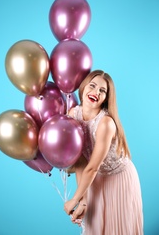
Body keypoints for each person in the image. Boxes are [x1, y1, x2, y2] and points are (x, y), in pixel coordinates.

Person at [64, 70, 143, 235]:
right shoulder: (73, 115)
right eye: (92, 86)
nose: (96, 92)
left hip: (119, 179)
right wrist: (83, 200)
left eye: (102, 91)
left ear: (106, 98)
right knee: (95, 227)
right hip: (95, 178)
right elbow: (80, 161)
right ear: (84, 87)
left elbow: (92, 166)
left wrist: (75, 198)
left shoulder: (105, 123)